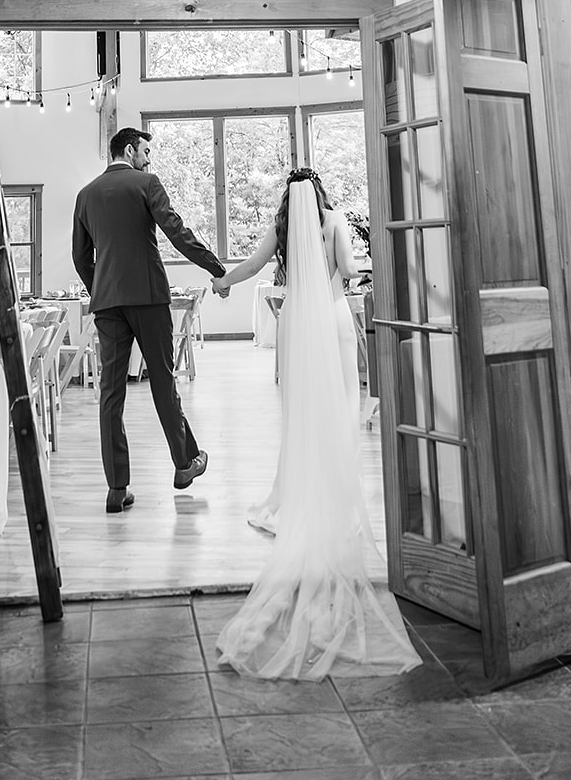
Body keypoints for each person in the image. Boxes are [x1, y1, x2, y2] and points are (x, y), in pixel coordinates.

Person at [211, 167, 421, 681]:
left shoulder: (283, 229)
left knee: (301, 409)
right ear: (322, 193)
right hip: (330, 321)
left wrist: (221, 281)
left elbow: (251, 266)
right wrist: (379, 254)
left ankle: (300, 486)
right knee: (343, 405)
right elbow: (349, 272)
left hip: (296, 327)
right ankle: (335, 484)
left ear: (289, 198)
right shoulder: (335, 221)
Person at [72, 126, 226, 514]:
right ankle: (184, 463)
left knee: (111, 393)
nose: (148, 158)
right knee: (161, 378)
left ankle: (116, 488)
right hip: (148, 297)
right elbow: (176, 232)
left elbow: (80, 257)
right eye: (145, 150)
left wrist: (102, 289)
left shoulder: (85, 195)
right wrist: (216, 267)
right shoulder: (146, 184)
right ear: (129, 149)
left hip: (107, 304)